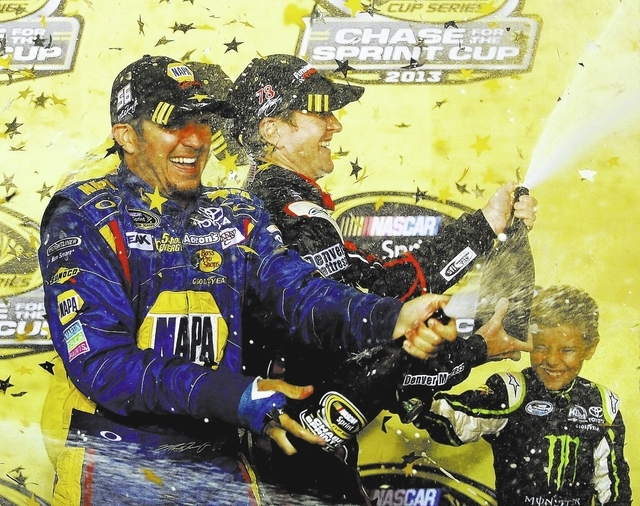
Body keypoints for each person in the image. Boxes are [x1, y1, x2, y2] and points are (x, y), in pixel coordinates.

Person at [37, 54, 457, 506]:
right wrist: (236, 396)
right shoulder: (83, 214)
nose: (194, 139)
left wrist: (393, 316)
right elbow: (102, 365)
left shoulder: (236, 211)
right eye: (173, 123)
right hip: (115, 455)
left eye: (202, 120)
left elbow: (299, 294)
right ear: (127, 136)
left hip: (218, 450)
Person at [226, 54, 536, 504]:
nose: (335, 125)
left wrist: (487, 225)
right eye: (319, 112)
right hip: (293, 454)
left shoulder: (276, 204)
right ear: (272, 130)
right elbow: (368, 325)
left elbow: (379, 290)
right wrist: (475, 347)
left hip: (291, 443)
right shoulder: (286, 212)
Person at [417, 285, 632, 506]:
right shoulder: (512, 390)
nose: (552, 360)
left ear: (590, 348)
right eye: (541, 347)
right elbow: (457, 421)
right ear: (526, 340)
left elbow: (614, 486)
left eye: (566, 350)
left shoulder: (602, 404)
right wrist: (415, 401)